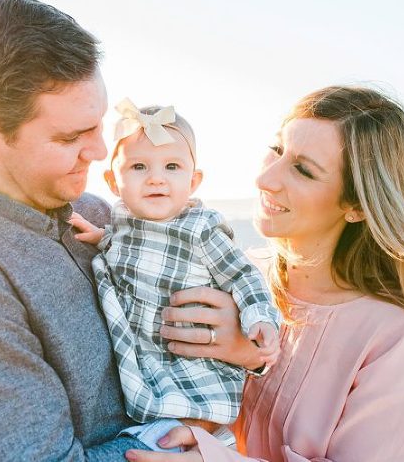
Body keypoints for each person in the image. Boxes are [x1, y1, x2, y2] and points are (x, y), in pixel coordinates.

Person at [0, 0, 263, 461]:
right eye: (70, 137)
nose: (97, 152)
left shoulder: (98, 214)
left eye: (97, 126)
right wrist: (183, 447)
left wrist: (243, 350)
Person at [125, 86, 404, 462]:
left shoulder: (401, 343)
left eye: (303, 170)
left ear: (356, 204)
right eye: (276, 150)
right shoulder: (238, 280)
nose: (265, 180)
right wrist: (244, 356)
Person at [68, 99, 281, 444]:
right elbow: (130, 248)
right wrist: (102, 239)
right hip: (148, 367)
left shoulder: (200, 229)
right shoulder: (122, 222)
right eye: (138, 167)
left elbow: (243, 275)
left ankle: (204, 441)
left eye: (171, 166)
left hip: (193, 373)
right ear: (112, 181)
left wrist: (260, 317)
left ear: (193, 181)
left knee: (168, 436)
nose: (156, 179)